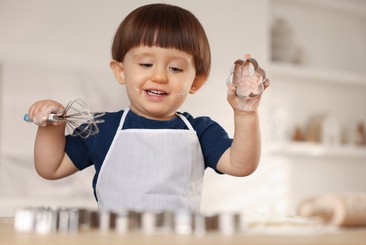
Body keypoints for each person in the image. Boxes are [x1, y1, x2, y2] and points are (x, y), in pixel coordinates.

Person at [27, 3, 270, 212]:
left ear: (196, 82)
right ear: (121, 71)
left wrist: (246, 113)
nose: (159, 76)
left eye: (175, 68)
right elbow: (51, 167)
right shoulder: (101, 127)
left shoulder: (200, 131)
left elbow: (241, 165)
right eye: (145, 64)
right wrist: (51, 126)